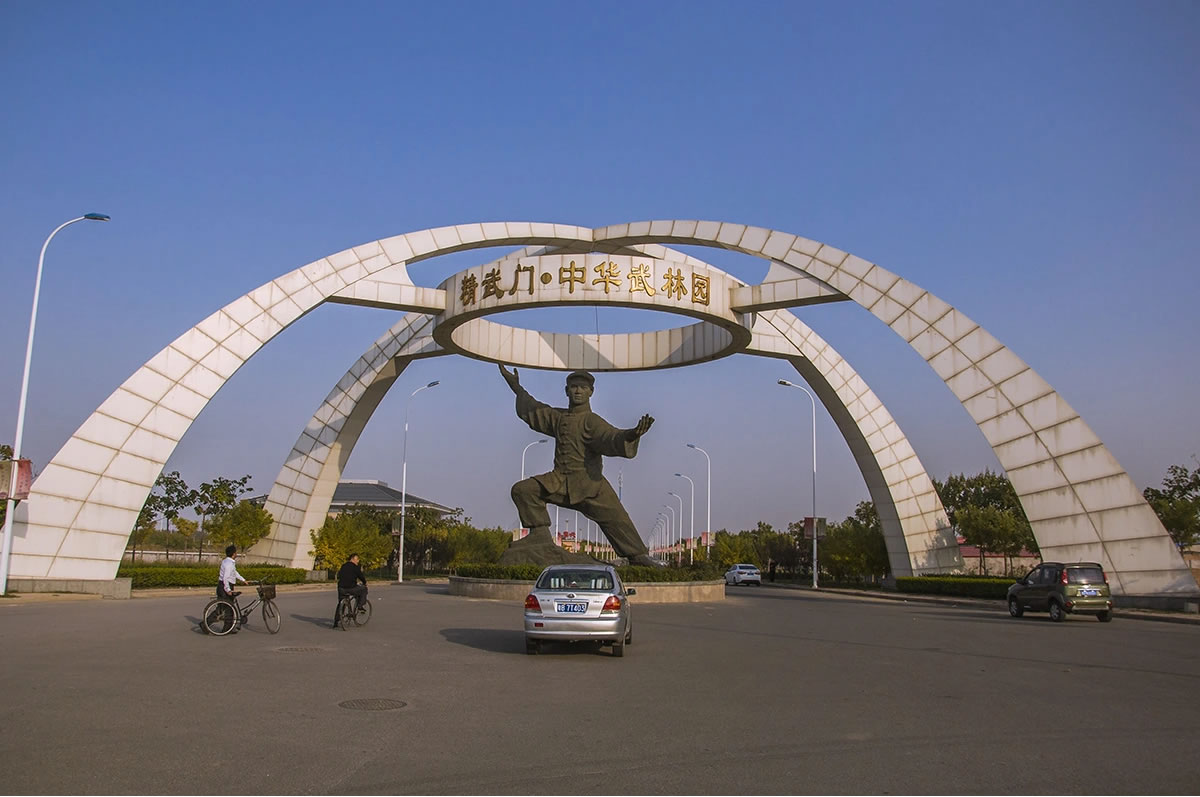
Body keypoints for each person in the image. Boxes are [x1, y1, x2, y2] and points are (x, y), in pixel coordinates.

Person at [499, 364, 660, 567]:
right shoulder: (558, 418)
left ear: (591, 392)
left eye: (583, 388)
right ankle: (539, 535)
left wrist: (631, 434)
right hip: (559, 481)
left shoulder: (591, 421)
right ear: (566, 391)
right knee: (523, 490)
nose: (578, 391)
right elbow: (534, 410)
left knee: (618, 520)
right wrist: (516, 387)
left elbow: (611, 437)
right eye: (574, 387)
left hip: (590, 485)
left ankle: (637, 556)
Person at [333, 553, 368, 628]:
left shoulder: (343, 566)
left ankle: (336, 621)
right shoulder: (355, 567)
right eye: (357, 559)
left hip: (341, 588)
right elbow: (361, 576)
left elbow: (340, 575)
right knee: (363, 589)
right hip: (351, 588)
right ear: (352, 559)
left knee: (340, 603)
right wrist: (364, 583)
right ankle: (360, 606)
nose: (358, 561)